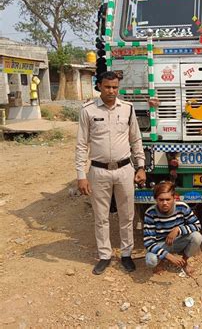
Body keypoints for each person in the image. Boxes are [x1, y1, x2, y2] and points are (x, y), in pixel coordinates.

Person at [76, 71, 146, 275]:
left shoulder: (127, 109)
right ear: (99, 86)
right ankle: (105, 255)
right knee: (101, 216)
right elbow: (81, 145)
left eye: (115, 87)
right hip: (98, 171)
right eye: (107, 87)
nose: (111, 91)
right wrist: (81, 175)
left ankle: (126, 254)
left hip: (125, 169)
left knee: (127, 215)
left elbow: (136, 139)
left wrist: (140, 166)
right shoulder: (88, 110)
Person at [143, 181, 202, 276]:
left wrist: (178, 229)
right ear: (156, 200)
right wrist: (169, 256)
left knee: (197, 237)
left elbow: (197, 225)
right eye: (161, 200)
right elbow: (148, 242)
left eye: (168, 199)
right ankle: (161, 262)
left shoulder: (182, 207)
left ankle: (184, 262)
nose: (165, 203)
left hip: (179, 241)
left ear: (174, 198)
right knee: (151, 260)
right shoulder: (150, 213)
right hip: (161, 244)